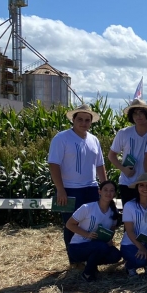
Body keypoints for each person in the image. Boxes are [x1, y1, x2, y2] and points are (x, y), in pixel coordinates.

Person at [48, 104, 107, 249]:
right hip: (69, 190)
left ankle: (90, 255)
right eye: (80, 119)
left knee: (92, 222)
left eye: (87, 120)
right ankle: (74, 259)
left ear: (91, 122)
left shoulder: (94, 140)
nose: (83, 123)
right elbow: (54, 165)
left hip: (91, 189)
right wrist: (60, 189)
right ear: (73, 120)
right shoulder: (61, 138)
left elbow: (100, 165)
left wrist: (105, 187)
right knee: (71, 225)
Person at [65, 180, 122, 282]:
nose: (108, 193)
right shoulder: (87, 208)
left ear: (114, 194)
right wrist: (87, 234)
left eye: (112, 191)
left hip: (98, 245)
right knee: (101, 247)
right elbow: (69, 224)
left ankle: (92, 264)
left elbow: (111, 230)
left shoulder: (114, 211)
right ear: (99, 191)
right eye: (105, 190)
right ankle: (87, 273)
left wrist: (109, 239)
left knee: (116, 255)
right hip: (78, 246)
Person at [108, 99, 147, 205]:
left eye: (141, 112)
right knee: (129, 217)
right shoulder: (123, 133)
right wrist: (123, 169)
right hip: (127, 182)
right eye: (135, 113)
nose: (138, 116)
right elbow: (111, 155)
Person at [120, 173, 147, 280]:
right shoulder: (129, 206)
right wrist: (141, 247)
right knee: (141, 259)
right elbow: (130, 231)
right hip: (130, 244)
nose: (145, 188)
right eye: (141, 185)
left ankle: (146, 264)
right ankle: (130, 266)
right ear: (137, 188)